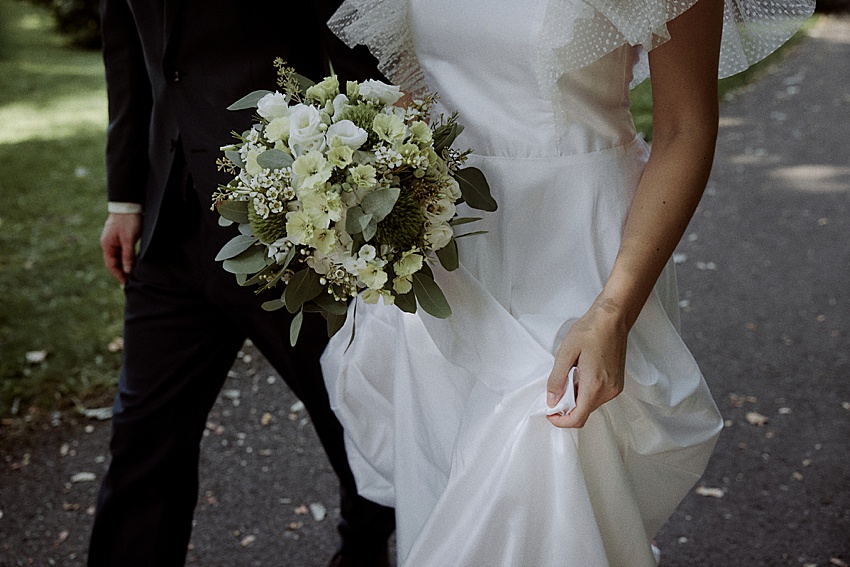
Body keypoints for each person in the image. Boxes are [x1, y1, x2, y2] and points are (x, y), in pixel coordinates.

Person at [319, 0, 815, 565]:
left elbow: (685, 127)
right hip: (445, 257)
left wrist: (613, 310)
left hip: (580, 254)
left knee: (546, 485)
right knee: (444, 490)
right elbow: (415, 94)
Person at [89, 1, 395, 566]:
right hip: (167, 231)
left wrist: (374, 189)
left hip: (284, 226)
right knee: (143, 441)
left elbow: (360, 46)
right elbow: (127, 51)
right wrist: (125, 198)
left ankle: (364, 550)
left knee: (352, 413)